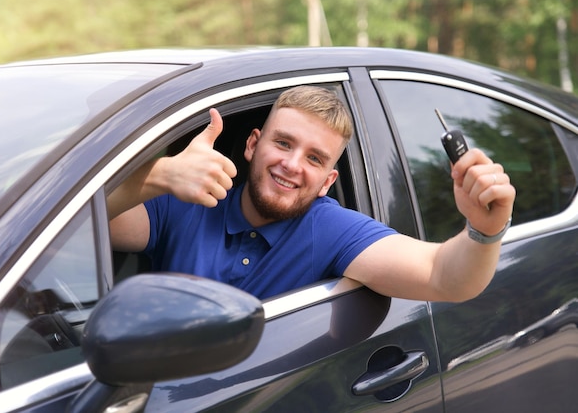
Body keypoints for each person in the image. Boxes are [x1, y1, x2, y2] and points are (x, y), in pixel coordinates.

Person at [108, 85, 515, 301]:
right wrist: (162, 172)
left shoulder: (329, 228)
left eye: (315, 159)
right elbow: (85, 222)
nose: (292, 165)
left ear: (326, 182)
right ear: (253, 145)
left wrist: (484, 229)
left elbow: (444, 277)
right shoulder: (188, 201)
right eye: (283, 144)